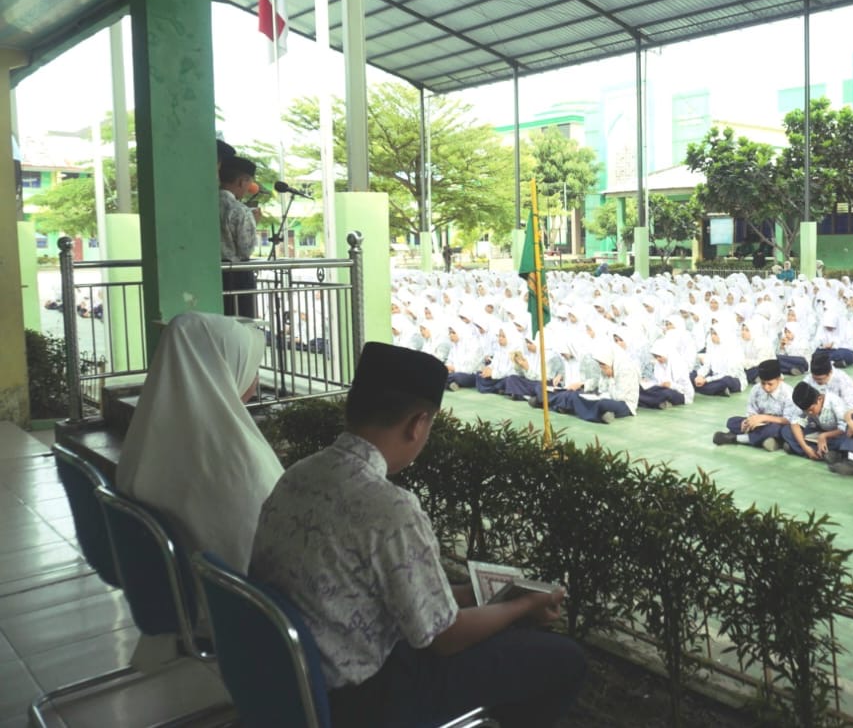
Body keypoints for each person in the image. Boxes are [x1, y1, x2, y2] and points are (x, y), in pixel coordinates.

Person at [250, 343, 585, 727]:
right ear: (417, 424)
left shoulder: (299, 475)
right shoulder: (390, 508)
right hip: (364, 698)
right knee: (564, 659)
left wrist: (479, 593)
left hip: (298, 677)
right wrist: (521, 608)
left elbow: (400, 595)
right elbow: (445, 637)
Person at [116, 312, 283, 574]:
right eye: (251, 366)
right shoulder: (237, 462)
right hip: (230, 594)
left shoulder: (146, 440)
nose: (255, 379)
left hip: (164, 588)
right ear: (225, 371)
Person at [712, 359, 801, 451]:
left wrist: (764, 418)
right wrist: (748, 421)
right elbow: (751, 411)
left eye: (770, 384)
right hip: (759, 424)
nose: (766, 387)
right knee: (732, 421)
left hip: (778, 424)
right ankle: (767, 440)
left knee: (776, 430)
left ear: (779, 380)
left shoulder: (788, 393)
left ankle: (736, 438)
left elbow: (789, 420)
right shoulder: (756, 389)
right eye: (763, 383)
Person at [218, 152, 261, 318]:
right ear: (242, 181)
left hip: (210, 273)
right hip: (236, 276)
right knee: (240, 322)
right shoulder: (240, 210)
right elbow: (246, 249)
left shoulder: (204, 204)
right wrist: (254, 224)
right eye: (249, 182)